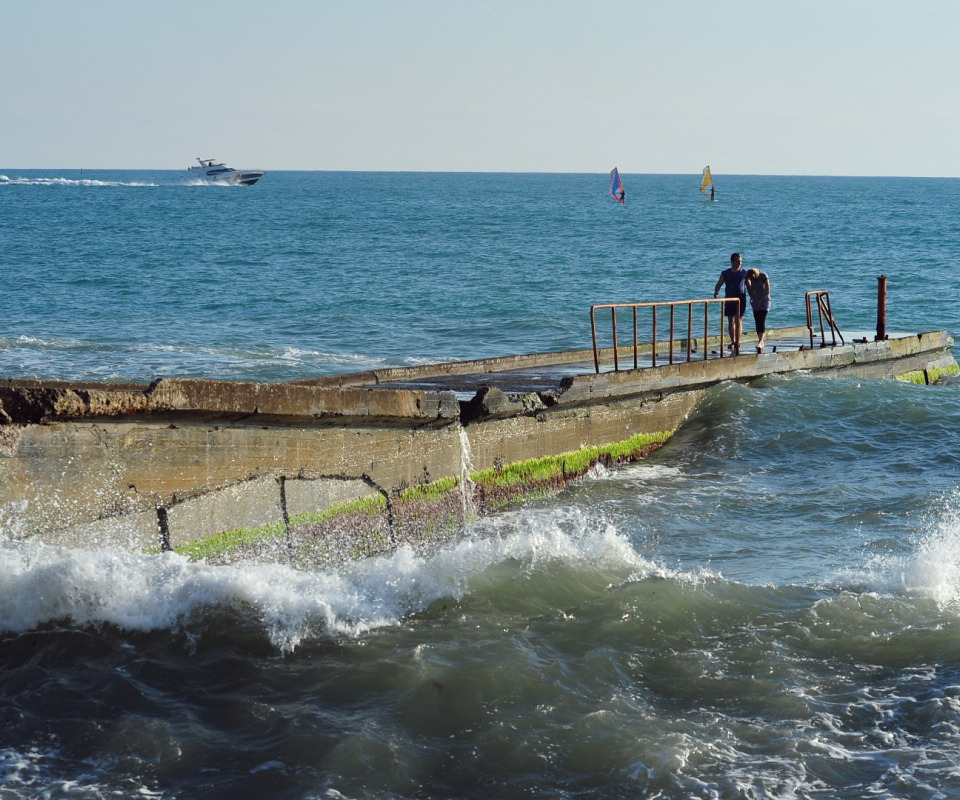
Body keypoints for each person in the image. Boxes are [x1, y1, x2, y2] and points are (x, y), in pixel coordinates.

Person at [713, 252, 747, 354]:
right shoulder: (725, 273)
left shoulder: (744, 273)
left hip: (741, 299)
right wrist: (716, 292)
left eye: (741, 261)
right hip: (729, 299)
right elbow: (719, 284)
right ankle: (733, 341)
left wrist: (754, 296)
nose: (739, 263)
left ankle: (738, 341)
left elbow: (749, 286)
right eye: (737, 261)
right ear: (732, 261)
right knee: (731, 320)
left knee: (739, 320)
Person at [746, 267, 772, 352]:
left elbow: (767, 291)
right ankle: (760, 341)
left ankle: (761, 342)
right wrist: (752, 297)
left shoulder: (763, 276)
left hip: (764, 301)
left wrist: (761, 301)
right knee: (757, 321)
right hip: (756, 302)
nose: (752, 279)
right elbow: (752, 290)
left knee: (761, 320)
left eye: (753, 277)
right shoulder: (752, 279)